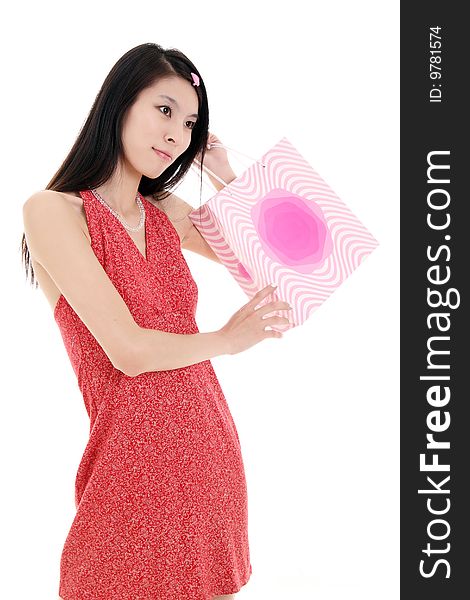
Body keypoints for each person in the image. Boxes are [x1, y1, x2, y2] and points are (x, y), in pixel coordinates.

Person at [21, 42, 292, 600]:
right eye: (164, 110)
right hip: (129, 474)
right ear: (119, 105)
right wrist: (225, 339)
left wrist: (221, 169)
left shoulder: (166, 213)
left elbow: (277, 262)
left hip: (209, 456)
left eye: (190, 123)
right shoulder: (52, 211)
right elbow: (129, 351)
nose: (176, 134)